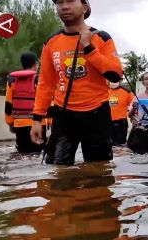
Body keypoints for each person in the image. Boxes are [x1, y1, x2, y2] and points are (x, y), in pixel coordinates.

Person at [30, 0, 123, 165]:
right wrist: (37, 120)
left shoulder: (101, 37)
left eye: (71, 1)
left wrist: (89, 47)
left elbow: (115, 75)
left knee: (99, 170)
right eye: (59, 3)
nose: (64, 6)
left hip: (97, 113)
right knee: (58, 171)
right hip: (64, 114)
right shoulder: (51, 42)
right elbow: (45, 83)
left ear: (85, 7)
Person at [5, 52, 47, 153]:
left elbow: (8, 104)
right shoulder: (38, 80)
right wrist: (50, 121)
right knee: (38, 154)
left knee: (23, 153)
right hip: (37, 124)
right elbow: (46, 102)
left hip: (19, 124)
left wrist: (10, 122)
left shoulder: (12, 80)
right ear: (35, 64)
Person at [108, 80, 134, 145]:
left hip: (121, 123)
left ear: (120, 80)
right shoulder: (104, 91)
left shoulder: (127, 92)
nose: (113, 81)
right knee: (108, 145)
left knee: (121, 145)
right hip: (107, 122)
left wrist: (133, 118)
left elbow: (134, 106)